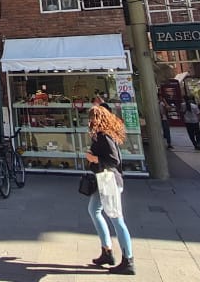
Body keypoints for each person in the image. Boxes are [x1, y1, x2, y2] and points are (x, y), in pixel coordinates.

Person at [83, 105, 135, 275]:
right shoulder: (103, 134)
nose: (90, 121)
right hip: (103, 180)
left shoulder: (104, 135)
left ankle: (128, 260)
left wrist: (94, 158)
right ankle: (107, 251)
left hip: (109, 181)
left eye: (92, 118)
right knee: (94, 210)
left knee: (116, 219)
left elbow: (114, 160)